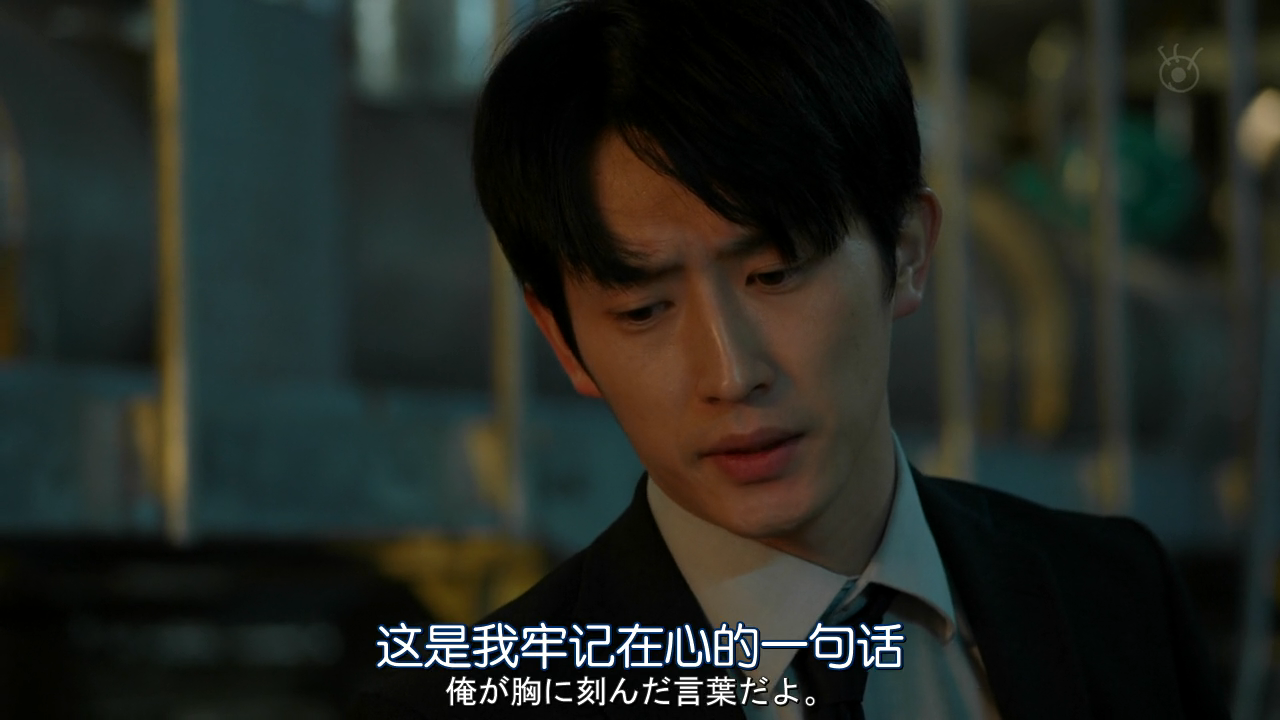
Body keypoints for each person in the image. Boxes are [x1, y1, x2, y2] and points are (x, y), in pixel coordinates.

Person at [350, 0, 1230, 717]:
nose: (732, 374)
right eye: (643, 309)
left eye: (774, 274)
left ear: (907, 251)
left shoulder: (1115, 597)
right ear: (563, 341)